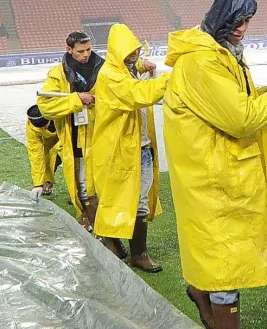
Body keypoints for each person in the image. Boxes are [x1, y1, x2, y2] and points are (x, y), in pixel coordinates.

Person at [164, 0, 267, 329]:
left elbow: (235, 101)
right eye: (237, 19)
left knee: (218, 258)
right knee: (225, 263)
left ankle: (205, 302)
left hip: (219, 169)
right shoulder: (203, 62)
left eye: (248, 20)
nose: (242, 28)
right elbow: (240, 117)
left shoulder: (220, 53)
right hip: (214, 176)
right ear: (220, 16)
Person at [90, 24, 169, 271]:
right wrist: (172, 77)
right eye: (129, 50)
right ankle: (129, 249)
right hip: (121, 151)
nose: (134, 53)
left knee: (137, 203)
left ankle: (132, 250)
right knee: (120, 200)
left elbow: (134, 75)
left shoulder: (123, 70)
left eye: (136, 49)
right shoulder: (110, 76)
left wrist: (140, 66)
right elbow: (138, 93)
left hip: (140, 148)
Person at [35, 32, 103, 226]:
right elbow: (45, 107)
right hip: (74, 139)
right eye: (80, 51)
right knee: (82, 185)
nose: (86, 55)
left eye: (89, 49)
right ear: (69, 49)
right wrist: (76, 100)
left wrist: (140, 65)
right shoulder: (58, 74)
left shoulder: (104, 67)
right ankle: (91, 221)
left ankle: (100, 226)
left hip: (102, 136)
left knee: (100, 185)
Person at [25, 103, 59, 199]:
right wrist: (38, 184)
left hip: (70, 137)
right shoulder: (31, 127)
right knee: (46, 156)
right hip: (49, 143)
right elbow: (35, 154)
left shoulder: (59, 114)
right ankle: (47, 181)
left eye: (44, 126)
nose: (43, 129)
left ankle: (78, 190)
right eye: (39, 128)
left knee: (73, 160)